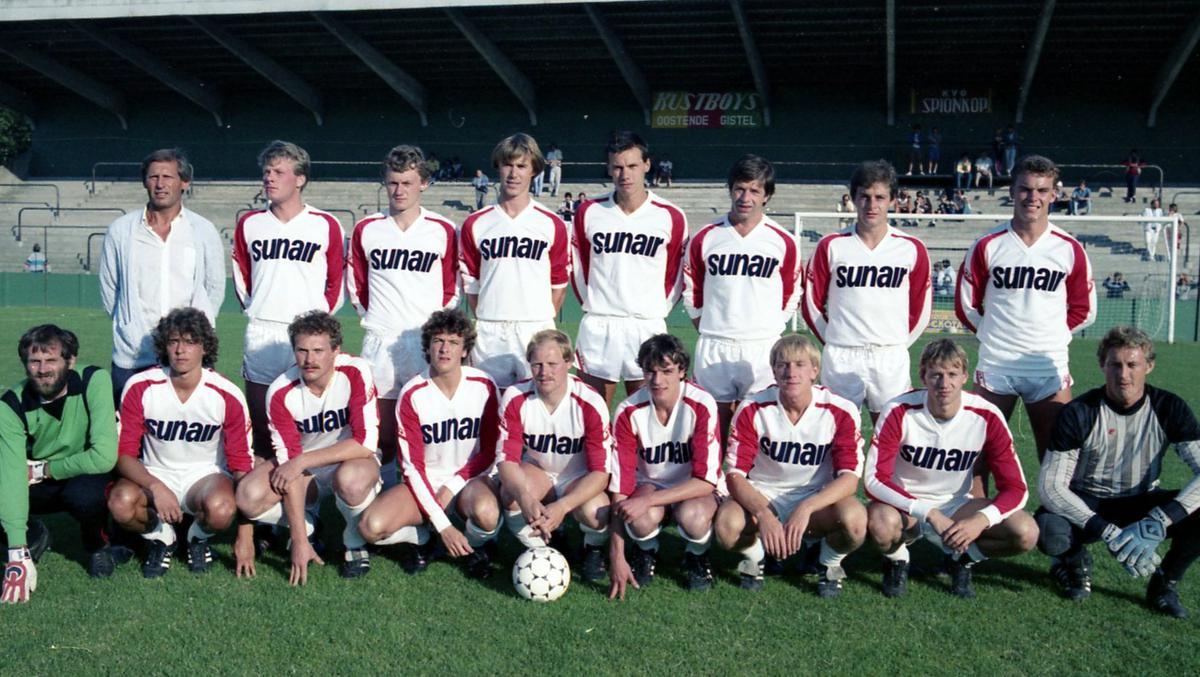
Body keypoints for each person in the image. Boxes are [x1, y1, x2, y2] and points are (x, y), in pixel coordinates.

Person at [1036, 326, 1200, 618]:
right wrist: (1106, 530)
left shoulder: (1169, 407)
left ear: (1149, 366)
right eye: (1115, 364)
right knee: (1048, 529)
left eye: (1132, 364)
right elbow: (1050, 487)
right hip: (1089, 499)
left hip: (1141, 500)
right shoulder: (1080, 411)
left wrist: (1160, 521)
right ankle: (1074, 565)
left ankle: (1164, 585)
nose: (1123, 374)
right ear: (1102, 365)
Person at [864, 339, 1038, 599]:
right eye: (936, 375)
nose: (944, 384)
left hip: (956, 505)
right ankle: (898, 560)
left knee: (1025, 532)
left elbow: (1016, 488)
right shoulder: (899, 410)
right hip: (905, 507)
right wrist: (929, 513)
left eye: (952, 374)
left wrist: (981, 520)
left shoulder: (987, 415)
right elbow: (874, 479)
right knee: (880, 522)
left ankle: (964, 560)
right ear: (923, 375)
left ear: (965, 377)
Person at [956, 155, 1096, 462]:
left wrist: (1049, 334)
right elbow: (965, 304)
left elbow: (1085, 310)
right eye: (1025, 189)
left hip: (1047, 365)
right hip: (998, 362)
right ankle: (975, 509)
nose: (1033, 197)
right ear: (1011, 191)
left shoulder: (1068, 248)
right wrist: (993, 332)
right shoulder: (988, 244)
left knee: (1057, 455)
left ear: (1054, 195)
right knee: (976, 453)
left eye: (1042, 190)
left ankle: (1051, 512)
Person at [234, 311, 381, 584]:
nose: (309, 359)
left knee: (351, 481)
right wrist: (299, 540)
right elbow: (290, 465)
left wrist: (302, 461)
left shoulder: (355, 371)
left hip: (350, 460)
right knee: (247, 497)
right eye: (302, 350)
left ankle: (354, 540)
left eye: (318, 350)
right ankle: (307, 525)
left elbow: (364, 442)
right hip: (305, 471)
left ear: (335, 350)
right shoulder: (280, 391)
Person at [108, 308, 255, 578]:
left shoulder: (226, 394)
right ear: (164, 345)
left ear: (204, 347)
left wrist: (245, 533)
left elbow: (241, 465)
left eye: (190, 342)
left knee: (222, 510)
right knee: (120, 503)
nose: (180, 350)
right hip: (155, 472)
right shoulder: (141, 386)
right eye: (174, 341)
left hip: (204, 477)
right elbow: (123, 454)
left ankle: (196, 537)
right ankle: (162, 538)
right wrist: (155, 485)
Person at [715, 334, 866, 596]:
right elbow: (735, 475)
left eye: (799, 364)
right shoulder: (753, 407)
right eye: (783, 364)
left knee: (854, 521)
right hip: (765, 492)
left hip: (815, 496)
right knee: (726, 526)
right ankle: (757, 558)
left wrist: (806, 507)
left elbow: (850, 478)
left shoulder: (840, 410)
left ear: (815, 371)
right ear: (773, 370)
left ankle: (827, 563)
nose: (791, 372)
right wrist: (764, 514)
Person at [357, 309, 502, 579]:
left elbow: (489, 452)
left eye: (453, 342)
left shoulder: (484, 386)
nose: (445, 349)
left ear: (464, 350)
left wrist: (451, 486)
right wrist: (441, 524)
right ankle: (423, 538)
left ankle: (476, 547)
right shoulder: (413, 393)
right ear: (428, 346)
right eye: (438, 341)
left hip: (469, 481)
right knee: (370, 527)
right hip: (423, 481)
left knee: (488, 513)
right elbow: (412, 468)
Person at [347, 145, 459, 487]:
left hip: (424, 341)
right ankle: (383, 497)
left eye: (407, 183)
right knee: (380, 430)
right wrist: (381, 319)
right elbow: (358, 287)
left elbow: (450, 289)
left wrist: (430, 330)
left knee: (426, 426)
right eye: (393, 183)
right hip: (381, 338)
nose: (399, 191)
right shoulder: (367, 229)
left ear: (423, 183)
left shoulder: (442, 229)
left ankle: (423, 498)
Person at [232, 140, 345, 461]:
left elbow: (336, 279)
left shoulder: (325, 224)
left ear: (299, 179)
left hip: (308, 337)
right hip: (263, 330)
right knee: (263, 424)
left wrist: (318, 322)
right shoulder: (250, 223)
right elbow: (241, 273)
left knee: (311, 419)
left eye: (278, 172)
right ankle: (268, 500)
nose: (269, 178)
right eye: (266, 172)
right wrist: (257, 309)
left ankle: (310, 490)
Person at [0, 325, 124, 603]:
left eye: (51, 360)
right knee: (4, 491)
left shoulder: (94, 380)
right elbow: (12, 475)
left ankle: (97, 545)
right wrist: (16, 553)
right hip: (35, 478)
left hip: (83, 470)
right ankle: (31, 537)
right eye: (34, 361)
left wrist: (44, 469)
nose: (43, 369)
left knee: (87, 496)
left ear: (70, 361)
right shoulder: (9, 405)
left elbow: (104, 456)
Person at [683, 155, 801, 444]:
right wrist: (710, 325)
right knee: (712, 429)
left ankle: (751, 488)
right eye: (739, 189)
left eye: (754, 190)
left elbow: (790, 294)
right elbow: (692, 289)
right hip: (715, 343)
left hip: (761, 346)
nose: (745, 197)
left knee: (759, 428)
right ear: (730, 189)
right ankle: (715, 486)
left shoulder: (782, 240)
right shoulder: (707, 237)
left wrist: (768, 326)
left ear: (766, 195)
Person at [803, 160, 931, 424]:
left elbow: (921, 309)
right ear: (854, 199)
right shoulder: (832, 245)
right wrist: (835, 338)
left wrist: (895, 343)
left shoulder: (911, 248)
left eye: (880, 197)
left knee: (892, 437)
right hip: (841, 354)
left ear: (893, 200)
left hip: (889, 355)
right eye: (865, 196)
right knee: (833, 435)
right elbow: (811, 304)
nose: (872, 205)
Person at [571, 131, 688, 407]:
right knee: (591, 414)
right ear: (609, 169)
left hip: (645, 323)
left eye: (633, 166)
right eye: (618, 167)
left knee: (646, 414)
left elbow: (676, 274)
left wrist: (655, 309)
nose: (626, 174)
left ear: (647, 165)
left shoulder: (669, 215)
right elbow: (579, 267)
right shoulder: (589, 211)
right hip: (600, 322)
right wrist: (595, 303)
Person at [100, 148, 225, 404]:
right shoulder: (121, 231)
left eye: (167, 177)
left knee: (184, 436)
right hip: (134, 356)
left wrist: (190, 337)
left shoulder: (202, 230)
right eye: (153, 177)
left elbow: (213, 290)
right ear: (144, 181)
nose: (160, 184)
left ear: (184, 182)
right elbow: (109, 292)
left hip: (186, 359)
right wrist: (130, 327)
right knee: (129, 439)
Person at [607, 335, 721, 598]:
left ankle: (697, 555)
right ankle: (646, 549)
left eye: (667, 371)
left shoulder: (702, 404)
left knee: (694, 517)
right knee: (636, 517)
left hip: (693, 484)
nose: (657, 380)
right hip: (649, 483)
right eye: (650, 371)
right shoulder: (627, 410)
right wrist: (617, 553)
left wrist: (648, 501)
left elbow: (705, 480)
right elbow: (620, 488)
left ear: (682, 371)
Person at [496, 330, 612, 582]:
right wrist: (525, 497)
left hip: (577, 477)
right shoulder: (516, 397)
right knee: (510, 494)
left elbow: (601, 473)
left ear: (568, 363)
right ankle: (543, 547)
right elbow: (506, 460)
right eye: (537, 364)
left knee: (598, 511)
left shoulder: (590, 401)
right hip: (539, 473)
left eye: (552, 364)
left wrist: (563, 506)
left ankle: (592, 548)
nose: (544, 372)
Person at [459, 133, 569, 389]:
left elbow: (559, 285)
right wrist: (491, 316)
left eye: (522, 166)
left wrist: (537, 317)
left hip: (535, 328)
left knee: (537, 407)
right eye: (508, 164)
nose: (513, 173)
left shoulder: (551, 223)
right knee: (489, 407)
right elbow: (472, 284)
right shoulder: (476, 223)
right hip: (490, 329)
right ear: (498, 166)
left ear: (534, 171)